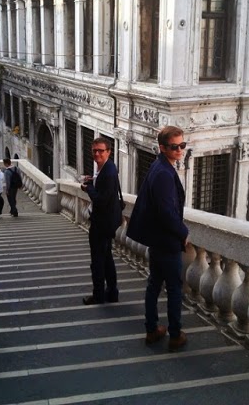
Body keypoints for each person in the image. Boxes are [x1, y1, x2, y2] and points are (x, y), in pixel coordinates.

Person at [128, 125, 190, 351]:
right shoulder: (163, 173)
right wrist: (183, 233)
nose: (179, 150)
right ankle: (175, 335)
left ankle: (152, 329)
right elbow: (166, 213)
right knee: (173, 289)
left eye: (182, 145)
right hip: (166, 242)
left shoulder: (159, 166)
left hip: (157, 240)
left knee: (154, 284)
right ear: (162, 148)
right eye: (174, 147)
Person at [82, 136, 122, 305]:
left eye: (101, 151)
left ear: (109, 152)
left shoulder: (109, 172)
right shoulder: (107, 167)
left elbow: (101, 200)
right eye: (94, 151)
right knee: (106, 259)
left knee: (98, 261)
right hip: (107, 221)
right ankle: (112, 293)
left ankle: (98, 295)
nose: (97, 154)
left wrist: (88, 188)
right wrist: (93, 181)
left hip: (102, 223)